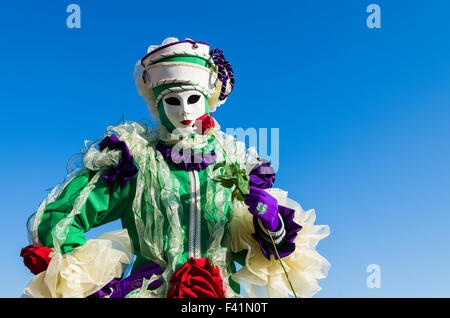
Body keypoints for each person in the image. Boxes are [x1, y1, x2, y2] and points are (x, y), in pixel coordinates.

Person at [21, 37, 330, 298]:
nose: (184, 111)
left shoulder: (236, 163)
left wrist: (271, 224)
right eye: (172, 100)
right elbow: (58, 219)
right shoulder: (136, 160)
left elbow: (267, 252)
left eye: (194, 99)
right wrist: (102, 286)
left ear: (209, 100)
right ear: (157, 104)